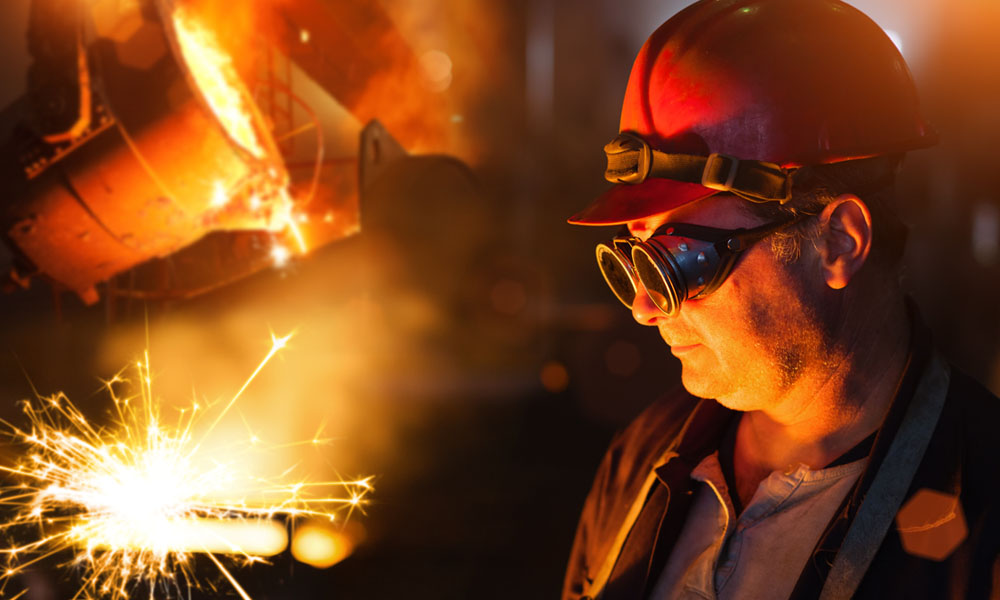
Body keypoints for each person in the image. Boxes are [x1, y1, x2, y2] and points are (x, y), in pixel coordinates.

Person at [562, 1, 1000, 599]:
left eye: (683, 259)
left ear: (840, 243)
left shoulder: (983, 508)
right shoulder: (644, 457)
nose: (645, 305)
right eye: (638, 255)